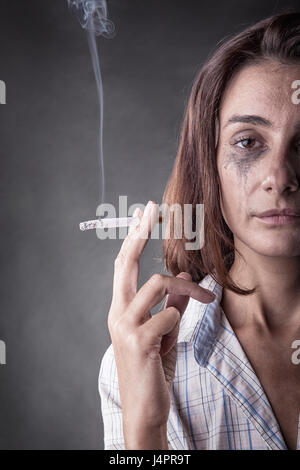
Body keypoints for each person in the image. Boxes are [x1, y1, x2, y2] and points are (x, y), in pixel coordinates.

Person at [98, 11, 300, 450]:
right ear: (210, 167)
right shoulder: (140, 360)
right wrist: (146, 432)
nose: (280, 177)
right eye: (248, 142)